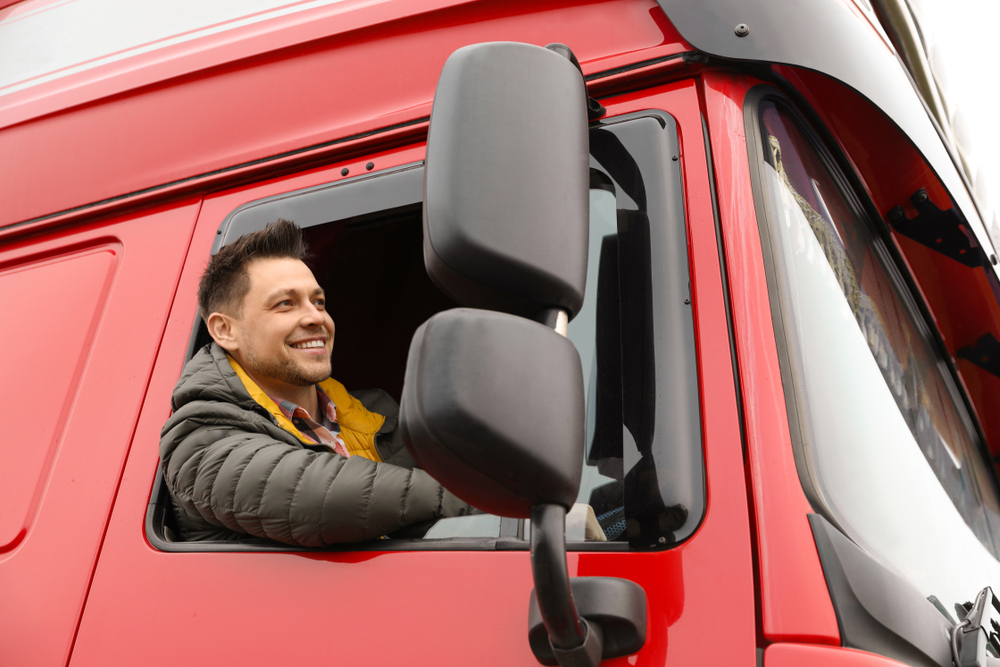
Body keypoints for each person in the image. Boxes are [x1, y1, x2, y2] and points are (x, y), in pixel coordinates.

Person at [160, 219, 473, 546]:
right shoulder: (200, 437)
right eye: (286, 303)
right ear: (225, 330)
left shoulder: (377, 411)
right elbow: (318, 492)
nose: (316, 317)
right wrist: (478, 504)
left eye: (318, 301)